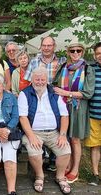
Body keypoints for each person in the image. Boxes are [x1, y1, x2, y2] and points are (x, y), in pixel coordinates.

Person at [18, 67, 71, 194]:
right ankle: (40, 176)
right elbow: (23, 117)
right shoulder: (24, 93)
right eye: (37, 79)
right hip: (33, 132)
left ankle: (60, 177)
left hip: (53, 132)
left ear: (47, 80)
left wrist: (63, 134)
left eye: (42, 79)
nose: (40, 82)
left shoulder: (55, 93)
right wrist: (31, 136)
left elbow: (64, 115)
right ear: (32, 80)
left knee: (65, 150)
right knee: (34, 151)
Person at [53, 42, 95, 183]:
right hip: (63, 108)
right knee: (65, 137)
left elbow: (88, 93)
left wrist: (66, 93)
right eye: (72, 51)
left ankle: (75, 169)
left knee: (75, 139)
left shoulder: (87, 69)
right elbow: (55, 84)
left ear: (82, 52)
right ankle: (68, 164)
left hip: (78, 108)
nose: (75, 53)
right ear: (68, 52)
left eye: (78, 51)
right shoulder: (64, 67)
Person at [24, 36, 67, 171]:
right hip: (37, 96)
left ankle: (55, 162)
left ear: (54, 46)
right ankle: (41, 163)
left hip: (56, 97)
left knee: (59, 127)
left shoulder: (62, 62)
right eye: (44, 45)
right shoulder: (34, 62)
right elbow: (28, 82)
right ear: (40, 46)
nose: (47, 48)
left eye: (49, 45)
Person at [84, 42, 101, 186]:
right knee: (95, 146)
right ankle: (95, 174)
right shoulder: (91, 69)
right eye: (98, 54)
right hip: (94, 114)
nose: (100, 56)